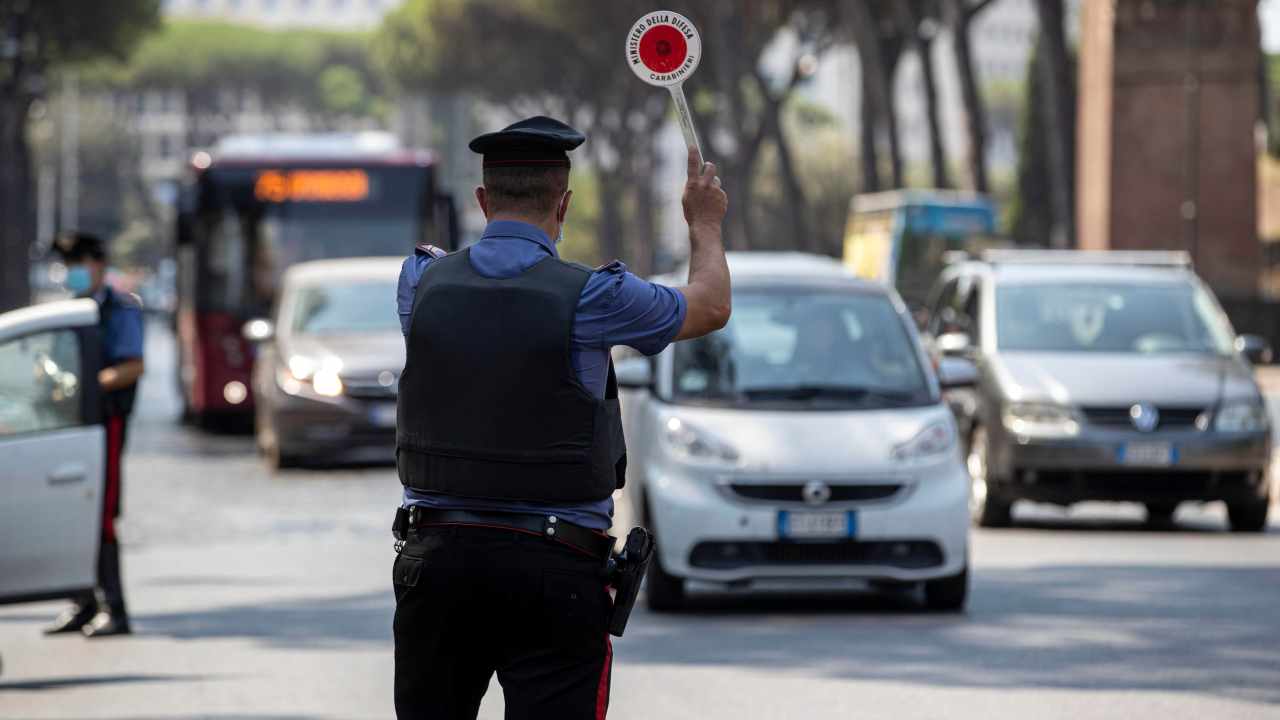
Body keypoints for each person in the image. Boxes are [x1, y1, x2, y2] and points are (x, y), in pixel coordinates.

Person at [391, 116, 730, 720]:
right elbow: (709, 306)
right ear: (564, 204)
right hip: (554, 571)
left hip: (437, 564)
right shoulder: (596, 297)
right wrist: (702, 222)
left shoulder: (420, 282)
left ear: (482, 199)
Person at [44, 231, 144, 638]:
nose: (73, 273)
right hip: (69, 423)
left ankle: (115, 609)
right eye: (68, 267)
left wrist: (87, 383)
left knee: (100, 514)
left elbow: (132, 365)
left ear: (98, 264)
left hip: (105, 424)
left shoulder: (120, 309)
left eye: (78, 264)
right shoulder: (68, 310)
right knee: (70, 512)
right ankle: (83, 603)